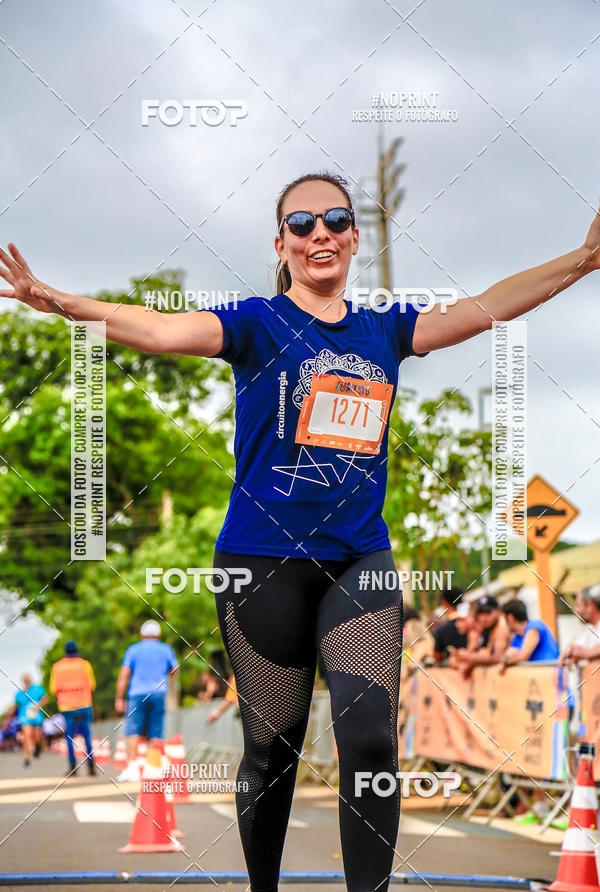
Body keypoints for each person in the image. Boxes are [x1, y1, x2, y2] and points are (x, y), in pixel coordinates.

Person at [1, 176, 598, 892]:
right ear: (281, 243)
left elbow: (486, 306)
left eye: (336, 219)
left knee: (370, 742)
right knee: (272, 748)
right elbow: (157, 329)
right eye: (303, 222)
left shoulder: (385, 329)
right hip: (262, 561)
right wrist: (57, 301)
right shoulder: (256, 323)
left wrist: (583, 259)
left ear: (353, 237)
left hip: (359, 559)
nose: (321, 232)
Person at [114, 620, 178, 782]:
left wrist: (119, 698)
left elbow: (124, 675)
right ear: (158, 635)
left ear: (142, 635)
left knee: (133, 729)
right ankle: (154, 767)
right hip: (158, 693)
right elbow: (174, 670)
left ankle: (133, 767)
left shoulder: (133, 650)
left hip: (137, 694)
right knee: (156, 730)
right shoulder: (166, 649)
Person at [50, 641, 97, 776]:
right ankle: (91, 766)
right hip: (84, 705)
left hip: (67, 707)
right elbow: (92, 685)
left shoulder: (57, 667)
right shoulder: (85, 664)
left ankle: (73, 767)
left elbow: (53, 689)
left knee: (69, 737)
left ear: (65, 651)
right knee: (87, 736)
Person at [451, 594, 511, 677]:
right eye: (481, 613)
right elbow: (486, 655)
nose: (483, 618)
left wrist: (470, 658)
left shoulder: (501, 629)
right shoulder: (489, 629)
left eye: (488, 612)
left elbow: (498, 658)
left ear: (498, 611)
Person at [499, 600, 559, 671]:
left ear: (510, 618)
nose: (504, 624)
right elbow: (506, 657)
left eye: (504, 619)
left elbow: (522, 657)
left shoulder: (534, 626)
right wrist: (506, 658)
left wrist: (505, 661)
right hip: (536, 674)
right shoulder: (517, 637)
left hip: (550, 673)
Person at [560, 584, 600, 663]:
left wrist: (586, 653)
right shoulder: (591, 629)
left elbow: (583, 651)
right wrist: (570, 651)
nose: (575, 611)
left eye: (578, 605)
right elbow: (576, 646)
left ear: (590, 606)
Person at [14, 674, 47, 767]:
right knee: (27, 735)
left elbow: (45, 699)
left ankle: (38, 746)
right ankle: (27, 757)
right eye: (25, 679)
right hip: (24, 717)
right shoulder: (19, 693)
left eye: (28, 678)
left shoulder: (38, 689)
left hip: (36, 716)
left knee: (36, 736)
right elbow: (16, 706)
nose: (26, 680)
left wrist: (38, 706)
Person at [433, 588, 468, 663]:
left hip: (451, 667)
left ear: (444, 602)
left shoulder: (441, 630)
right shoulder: (474, 624)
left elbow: (437, 657)